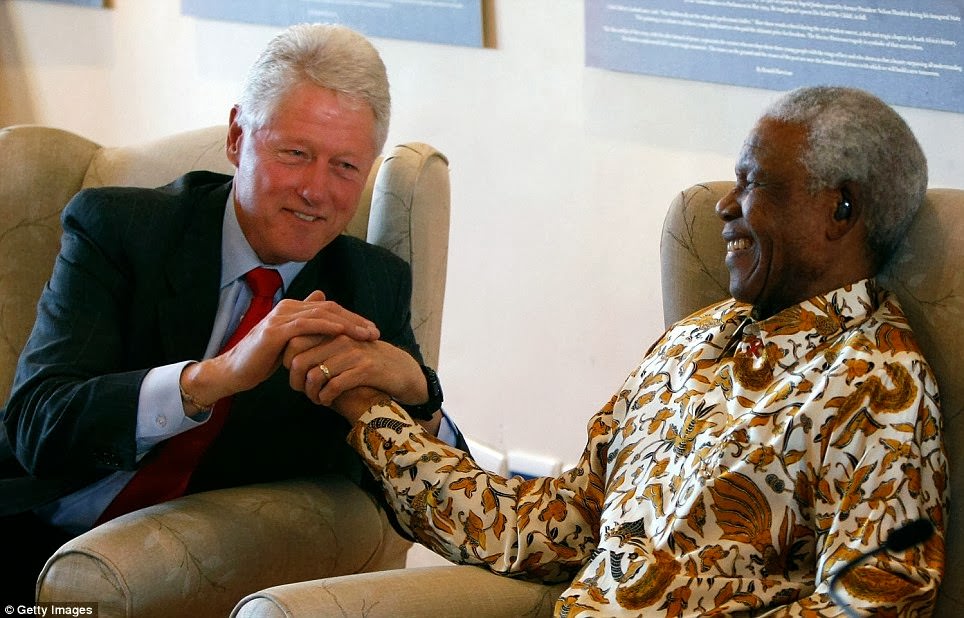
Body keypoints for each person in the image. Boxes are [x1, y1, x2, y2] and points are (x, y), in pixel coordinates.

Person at [300, 86, 948, 616]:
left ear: (839, 209)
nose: (725, 206)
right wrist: (369, 411)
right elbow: (552, 525)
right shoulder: (693, 339)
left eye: (754, 183)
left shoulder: (879, 383)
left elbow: (873, 601)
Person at [0, 23, 460, 601]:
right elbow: (36, 425)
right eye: (295, 154)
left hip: (169, 572)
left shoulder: (367, 284)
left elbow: (434, 502)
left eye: (345, 167)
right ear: (239, 136)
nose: (317, 191)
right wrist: (213, 379)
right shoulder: (120, 230)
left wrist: (418, 394)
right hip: (27, 529)